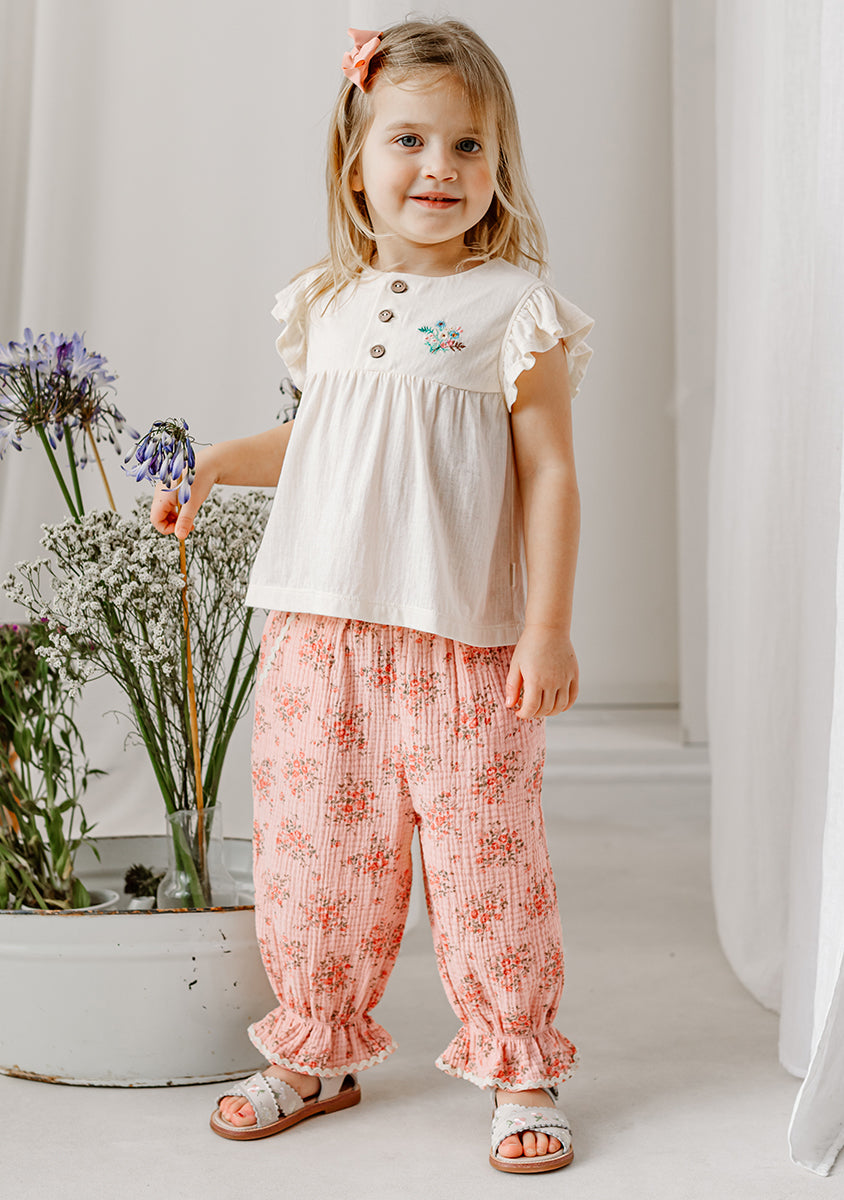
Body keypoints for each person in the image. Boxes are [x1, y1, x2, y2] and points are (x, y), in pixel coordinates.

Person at [151, 18, 593, 1174]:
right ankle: (316, 1047)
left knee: (487, 860)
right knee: (316, 853)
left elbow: (549, 472)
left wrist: (547, 625)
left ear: (498, 166)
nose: (440, 167)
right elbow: (323, 442)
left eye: (469, 145)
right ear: (354, 163)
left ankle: (520, 1063)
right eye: (410, 139)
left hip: (463, 641)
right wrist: (214, 463)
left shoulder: (517, 307)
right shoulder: (329, 304)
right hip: (319, 630)